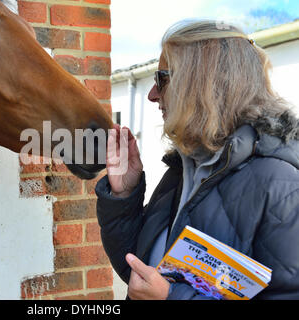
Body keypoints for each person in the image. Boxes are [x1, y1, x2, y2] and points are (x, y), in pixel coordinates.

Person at [95, 19, 299, 300]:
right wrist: (124, 195)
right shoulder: (184, 168)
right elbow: (140, 274)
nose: (153, 95)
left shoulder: (282, 184)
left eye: (162, 79)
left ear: (201, 82)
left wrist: (172, 297)